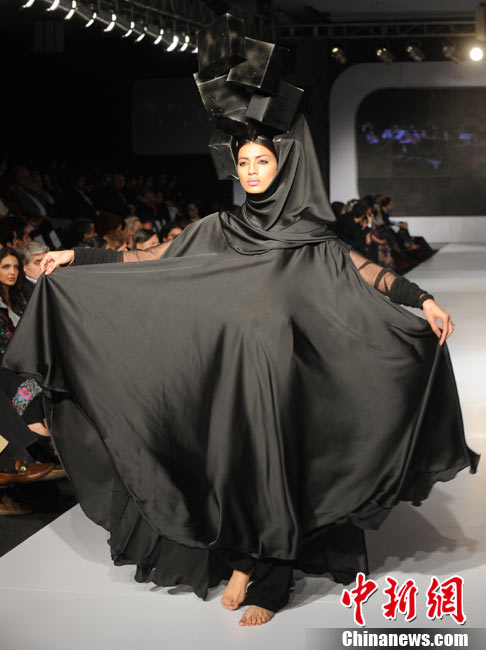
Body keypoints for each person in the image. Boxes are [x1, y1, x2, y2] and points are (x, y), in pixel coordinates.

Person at [4, 113, 477, 627]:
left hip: (283, 378)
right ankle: (241, 561)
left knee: (276, 474)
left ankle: (271, 580)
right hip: (229, 375)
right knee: (230, 469)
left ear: (281, 168)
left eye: (262, 161)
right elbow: (150, 259)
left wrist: (421, 299)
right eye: (244, 162)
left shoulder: (308, 237)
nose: (251, 170)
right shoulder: (219, 228)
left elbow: (363, 272)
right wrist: (77, 256)